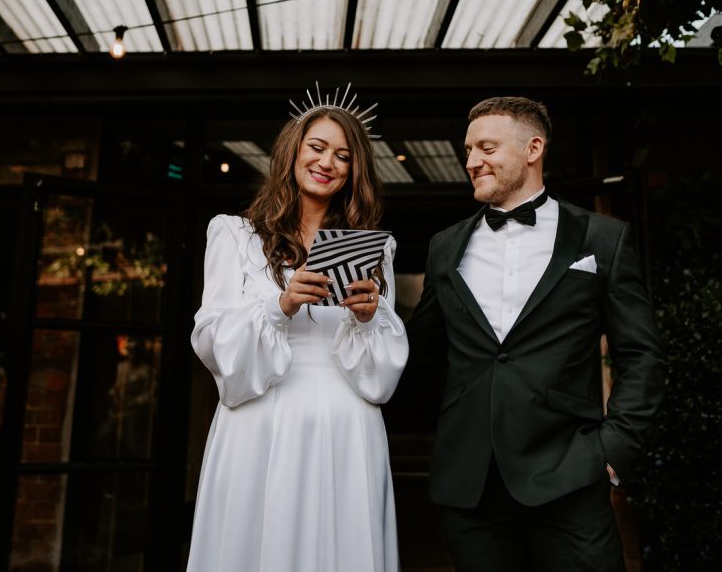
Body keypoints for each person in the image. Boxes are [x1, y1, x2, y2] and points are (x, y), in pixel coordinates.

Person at [408, 97, 665, 572]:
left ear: (533, 148)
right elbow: (418, 354)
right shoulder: (445, 247)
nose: (470, 161)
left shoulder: (602, 239)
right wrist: (362, 325)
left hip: (569, 473)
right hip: (469, 485)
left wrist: (613, 452)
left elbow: (642, 355)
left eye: (486, 147)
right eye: (468, 150)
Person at [187, 100, 408, 572]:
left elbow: (384, 373)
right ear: (292, 151)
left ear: (354, 171)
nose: (328, 163)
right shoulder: (235, 235)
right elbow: (211, 341)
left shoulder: (373, 246)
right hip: (261, 420)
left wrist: (369, 317)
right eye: (318, 147)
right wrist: (280, 305)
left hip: (348, 423)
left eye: (344, 156)